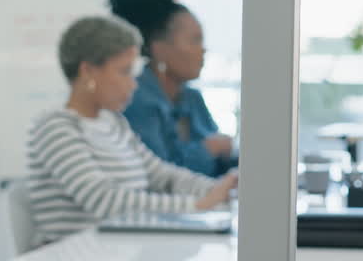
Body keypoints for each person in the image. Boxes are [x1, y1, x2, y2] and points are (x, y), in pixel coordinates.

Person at [26, 16, 238, 245]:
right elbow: (104, 201)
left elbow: (164, 177)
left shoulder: (113, 123)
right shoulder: (56, 128)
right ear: (87, 71)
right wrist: (197, 206)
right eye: (124, 71)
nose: (133, 84)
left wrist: (221, 191)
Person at [110, 0, 237, 176]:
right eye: (195, 40)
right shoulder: (135, 100)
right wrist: (209, 149)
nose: (202, 50)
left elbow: (224, 160)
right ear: (159, 49)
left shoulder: (192, 98)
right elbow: (158, 177)